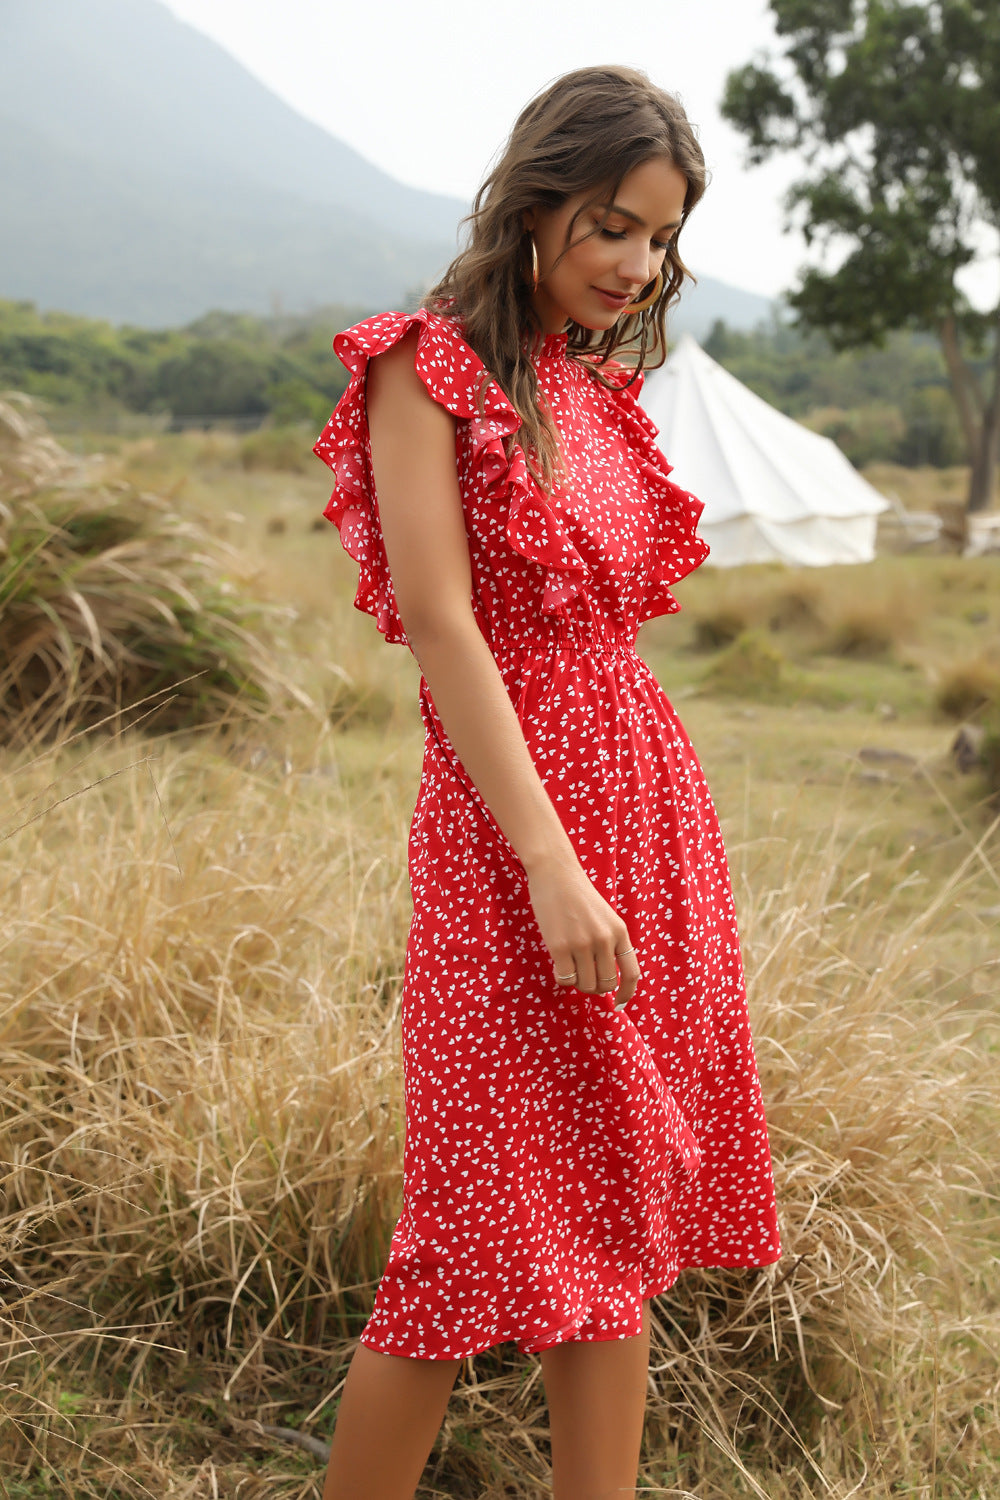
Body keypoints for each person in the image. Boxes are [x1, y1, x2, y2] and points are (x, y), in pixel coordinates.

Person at [313, 64, 781, 1500]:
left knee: (618, 1213)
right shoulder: (422, 365)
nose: (635, 268)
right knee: (456, 1245)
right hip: (512, 831)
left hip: (643, 805)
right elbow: (446, 622)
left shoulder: (590, 388)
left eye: (659, 241)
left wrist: (600, 852)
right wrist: (547, 861)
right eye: (610, 227)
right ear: (534, 202)